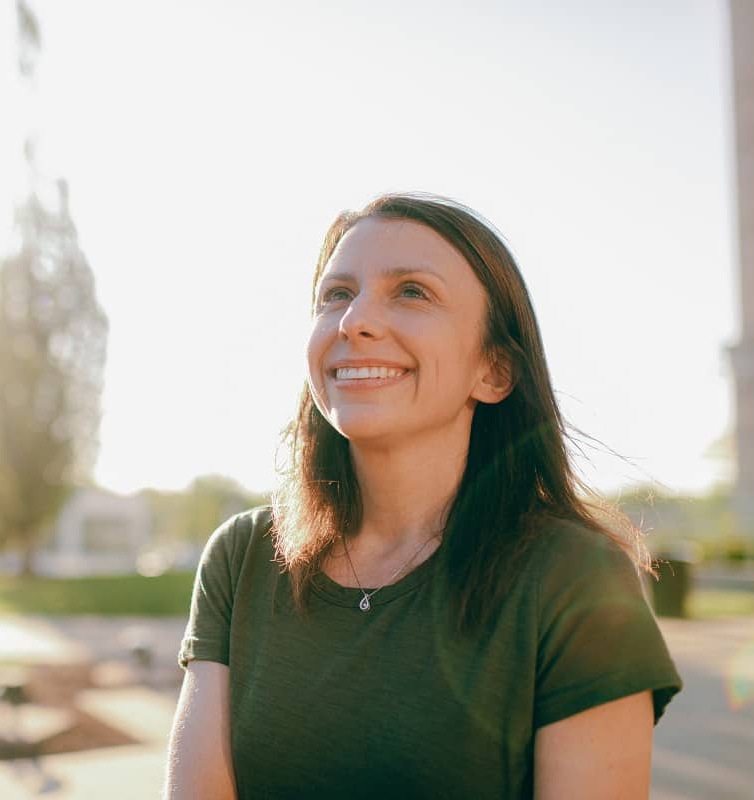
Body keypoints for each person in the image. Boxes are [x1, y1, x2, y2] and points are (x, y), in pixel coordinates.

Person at [164, 192, 683, 799]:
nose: (354, 320)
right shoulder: (242, 555)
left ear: (493, 371)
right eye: (336, 294)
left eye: (412, 291)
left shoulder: (575, 577)